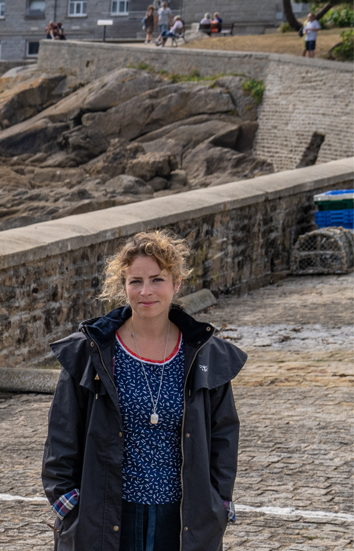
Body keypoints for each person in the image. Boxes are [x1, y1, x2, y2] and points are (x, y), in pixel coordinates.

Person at [42, 230, 245, 551]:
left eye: (157, 279)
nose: (146, 291)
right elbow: (62, 434)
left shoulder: (205, 353)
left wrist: (218, 503)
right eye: (135, 281)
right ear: (123, 286)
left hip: (182, 519)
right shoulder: (90, 352)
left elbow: (224, 435)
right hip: (105, 513)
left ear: (176, 283)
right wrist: (68, 504)